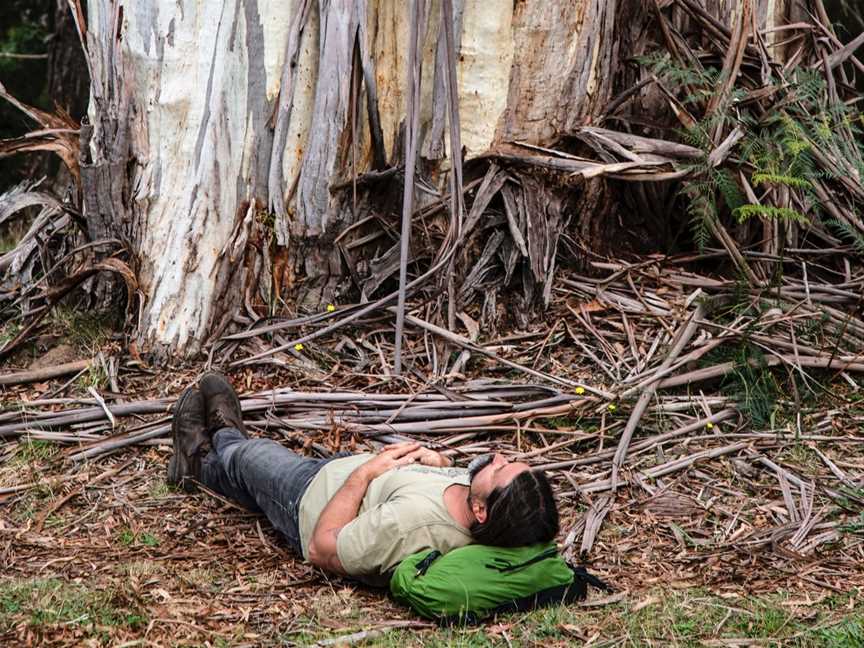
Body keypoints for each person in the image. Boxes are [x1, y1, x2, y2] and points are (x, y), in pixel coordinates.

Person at [168, 373, 559, 586]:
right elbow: (465, 487)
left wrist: (364, 474)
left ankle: (220, 440)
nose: (498, 457)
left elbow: (323, 550)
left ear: (480, 511)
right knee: (247, 485)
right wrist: (439, 462)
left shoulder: (408, 525)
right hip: (336, 475)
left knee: (249, 457)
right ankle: (198, 468)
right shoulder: (479, 503)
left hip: (307, 499)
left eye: (500, 468)